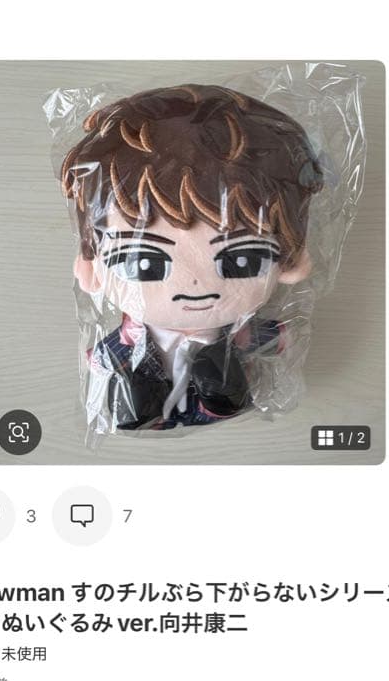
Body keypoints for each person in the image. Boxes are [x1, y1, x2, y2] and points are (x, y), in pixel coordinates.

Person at [61, 83, 323, 430]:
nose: (195, 285)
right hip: (149, 397)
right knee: (136, 396)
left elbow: (274, 338)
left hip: (221, 405)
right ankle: (144, 411)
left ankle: (218, 403)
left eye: (241, 260)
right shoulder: (131, 338)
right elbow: (102, 359)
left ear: (290, 262)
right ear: (90, 269)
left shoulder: (237, 333)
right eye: (144, 263)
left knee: (221, 377)